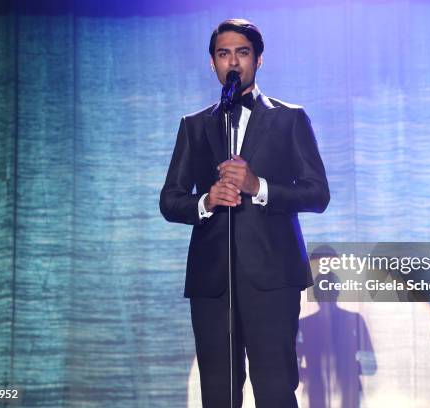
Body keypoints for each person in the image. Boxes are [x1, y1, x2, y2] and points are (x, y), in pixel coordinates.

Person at [160, 18, 329, 407]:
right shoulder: (195, 125)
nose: (233, 62)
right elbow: (170, 199)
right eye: (224, 54)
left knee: (274, 388)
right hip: (211, 281)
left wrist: (260, 187)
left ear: (258, 59)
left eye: (242, 52)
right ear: (212, 63)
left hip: (272, 279)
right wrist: (206, 201)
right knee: (218, 393)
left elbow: (317, 194)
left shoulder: (290, 118)